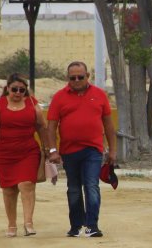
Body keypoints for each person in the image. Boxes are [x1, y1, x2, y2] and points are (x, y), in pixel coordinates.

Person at [44, 61, 116, 238]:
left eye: (80, 77)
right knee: (74, 188)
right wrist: (53, 150)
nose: (76, 80)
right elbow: (51, 126)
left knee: (91, 185)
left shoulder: (99, 95)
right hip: (69, 151)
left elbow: (108, 124)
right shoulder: (59, 97)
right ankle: (76, 225)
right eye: (72, 78)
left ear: (87, 76)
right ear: (67, 78)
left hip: (93, 150)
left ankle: (92, 225)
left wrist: (113, 150)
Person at [0, 74, 47, 237]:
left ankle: (28, 223)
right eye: (14, 89)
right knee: (9, 190)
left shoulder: (32, 103)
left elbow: (42, 126)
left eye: (22, 90)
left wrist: (48, 148)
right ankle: (11, 225)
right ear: (7, 89)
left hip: (28, 151)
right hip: (5, 153)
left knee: (27, 184)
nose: (18, 93)